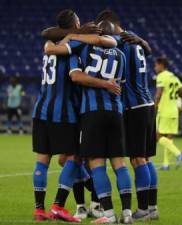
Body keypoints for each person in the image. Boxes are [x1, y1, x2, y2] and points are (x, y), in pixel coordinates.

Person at [32, 10, 118, 223]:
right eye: (78, 21)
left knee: (43, 159)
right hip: (64, 112)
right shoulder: (74, 46)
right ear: (74, 23)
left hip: (41, 109)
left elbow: (47, 37)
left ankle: (39, 210)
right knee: (73, 157)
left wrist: (73, 33)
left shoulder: (51, 43)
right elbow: (78, 74)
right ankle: (59, 206)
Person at [95, 9, 159, 221]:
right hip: (148, 103)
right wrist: (144, 41)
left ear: (110, 25)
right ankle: (152, 207)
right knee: (146, 158)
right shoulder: (134, 41)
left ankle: (142, 210)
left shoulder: (117, 41)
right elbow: (148, 52)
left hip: (134, 107)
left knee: (137, 159)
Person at [154, 57, 182, 170]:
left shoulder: (161, 76)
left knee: (157, 136)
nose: (155, 68)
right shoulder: (173, 77)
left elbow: (158, 94)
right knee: (168, 139)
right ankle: (166, 164)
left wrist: (153, 107)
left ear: (161, 65)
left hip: (164, 111)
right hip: (174, 111)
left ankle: (178, 154)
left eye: (156, 65)